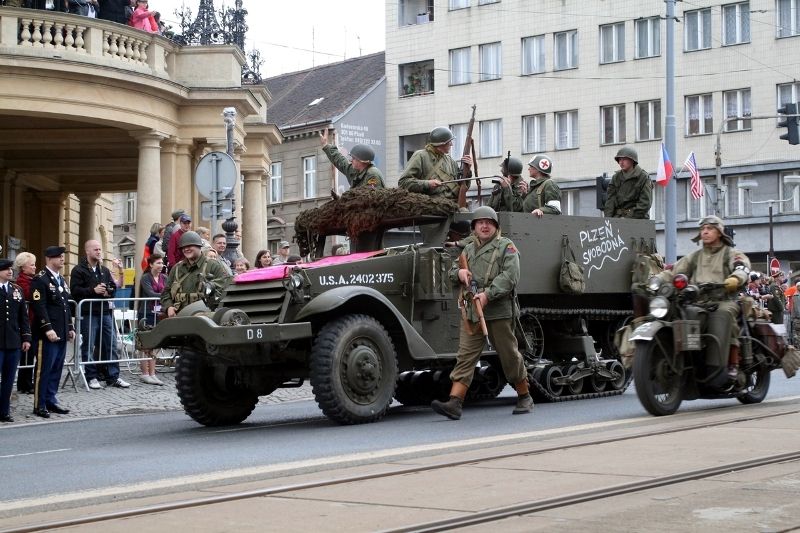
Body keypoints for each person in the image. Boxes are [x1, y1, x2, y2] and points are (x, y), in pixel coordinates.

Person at [431, 206, 533, 420]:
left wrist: (488, 294)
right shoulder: (467, 250)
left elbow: (511, 276)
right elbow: (451, 272)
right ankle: (455, 402)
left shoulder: (506, 247)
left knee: (509, 355)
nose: (484, 226)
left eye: (489, 222)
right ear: (474, 227)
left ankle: (524, 395)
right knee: (465, 357)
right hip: (472, 313)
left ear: (496, 226)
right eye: (480, 223)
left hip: (498, 311)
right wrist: (459, 273)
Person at [658, 216, 751, 381]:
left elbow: (742, 266)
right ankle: (690, 362)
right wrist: (655, 280)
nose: (705, 232)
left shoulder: (730, 253)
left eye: (710, 228)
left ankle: (729, 366)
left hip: (724, 300)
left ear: (720, 232)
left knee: (723, 315)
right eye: (703, 229)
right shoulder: (694, 256)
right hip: (697, 302)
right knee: (681, 314)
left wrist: (735, 278)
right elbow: (674, 272)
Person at [70, 239, 130, 390]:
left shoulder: (104, 270)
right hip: (89, 313)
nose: (99, 251)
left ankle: (113, 376)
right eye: (95, 249)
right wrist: (93, 291)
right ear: (88, 251)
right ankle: (91, 376)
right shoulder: (78, 270)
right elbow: (75, 291)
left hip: (105, 312)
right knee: (89, 345)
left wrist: (108, 291)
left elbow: (113, 288)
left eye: (100, 249)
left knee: (111, 344)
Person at [30, 246, 75, 418]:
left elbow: (67, 305)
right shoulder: (40, 280)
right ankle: (39, 404)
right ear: (49, 259)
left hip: (61, 331)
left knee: (56, 368)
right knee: (44, 369)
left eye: (63, 256)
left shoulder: (61, 280)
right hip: (47, 333)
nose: (63, 259)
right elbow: (39, 307)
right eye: (59, 257)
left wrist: (70, 327)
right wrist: (47, 328)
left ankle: (51, 399)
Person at [161, 231, 231, 317]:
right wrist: (169, 307)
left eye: (190, 246)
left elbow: (224, 289)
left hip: (205, 317)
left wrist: (210, 289)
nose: (186, 249)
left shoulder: (213, 265)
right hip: (179, 316)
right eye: (183, 247)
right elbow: (165, 293)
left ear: (199, 246)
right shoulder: (177, 268)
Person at [398, 126, 472, 201]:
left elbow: (462, 188)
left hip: (453, 204)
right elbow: (403, 183)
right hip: (430, 204)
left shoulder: (451, 161)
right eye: (449, 142)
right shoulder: (420, 156)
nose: (451, 144)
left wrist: (467, 170)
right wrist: (427, 184)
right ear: (442, 144)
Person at [0, 258, 31, 423]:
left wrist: (26, 337)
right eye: (6, 269)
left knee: (9, 379)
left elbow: (23, 317)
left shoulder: (16, 290)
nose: (10, 271)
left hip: (13, 342)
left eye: (11, 269)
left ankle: (4, 411)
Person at [319, 129, 385, 189]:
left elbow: (369, 198)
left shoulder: (373, 175)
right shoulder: (355, 171)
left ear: (362, 161)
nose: (351, 160)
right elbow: (340, 161)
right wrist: (326, 145)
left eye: (354, 158)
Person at [137, 254, 166, 385]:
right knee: (145, 345)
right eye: (158, 263)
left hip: (158, 313)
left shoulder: (164, 277)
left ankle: (153, 373)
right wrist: (165, 296)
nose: (161, 265)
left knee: (154, 344)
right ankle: (144, 373)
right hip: (146, 312)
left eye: (162, 263)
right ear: (151, 264)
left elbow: (169, 291)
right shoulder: (145, 278)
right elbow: (151, 294)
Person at [604, 146, 653, 219]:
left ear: (632, 160)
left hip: (637, 219)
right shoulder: (616, 177)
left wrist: (628, 217)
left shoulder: (643, 177)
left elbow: (645, 203)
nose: (621, 162)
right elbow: (610, 201)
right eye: (619, 159)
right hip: (617, 218)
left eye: (624, 159)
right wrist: (608, 220)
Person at [12, 252, 38, 394]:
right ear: (23, 267)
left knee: (31, 353)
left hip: (32, 321)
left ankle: (27, 382)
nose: (35, 267)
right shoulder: (22, 282)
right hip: (27, 322)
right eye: (32, 265)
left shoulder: (32, 280)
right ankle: (25, 384)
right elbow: (30, 295)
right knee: (27, 354)